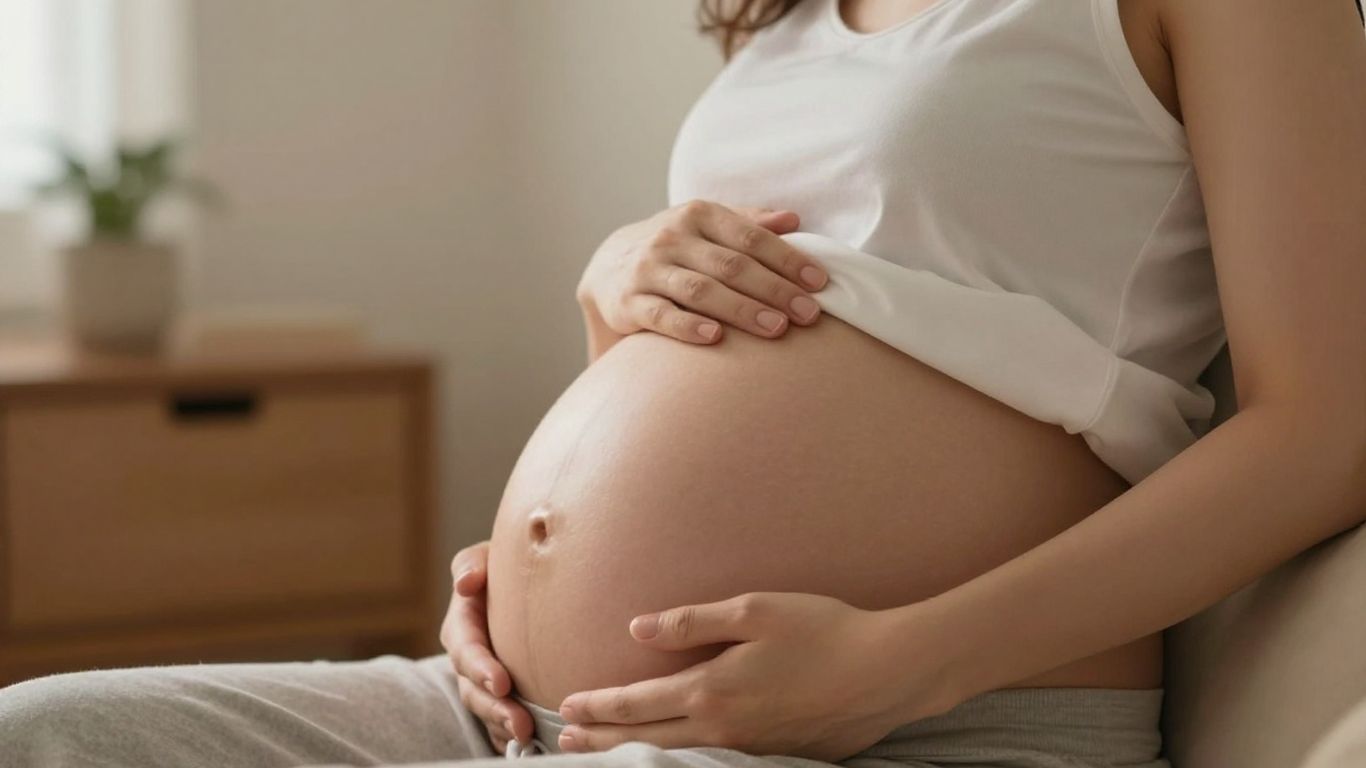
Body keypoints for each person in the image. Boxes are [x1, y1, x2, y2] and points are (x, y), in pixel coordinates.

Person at [2, 2, 1363, 767]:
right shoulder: (771, 18)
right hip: (517, 707)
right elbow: (808, 332)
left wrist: (897, 667)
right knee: (50, 737)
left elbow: (1325, 428)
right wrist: (540, 543)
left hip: (905, 722)